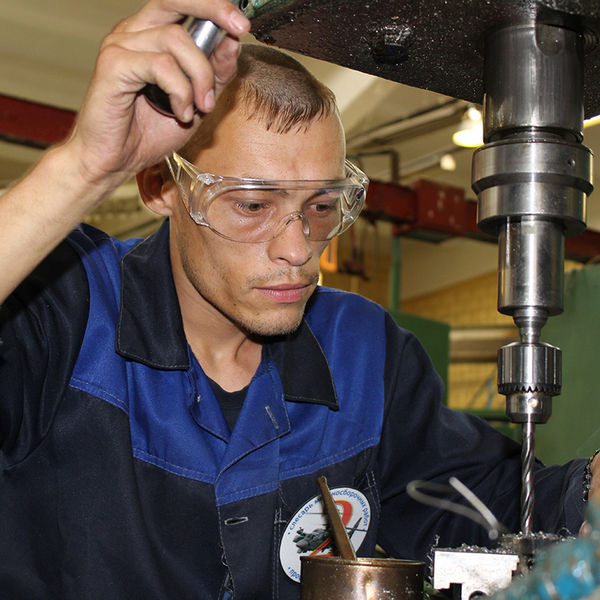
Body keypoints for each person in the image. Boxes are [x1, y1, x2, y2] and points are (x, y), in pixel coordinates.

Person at [0, 1, 597, 598]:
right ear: (162, 185)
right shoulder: (63, 303)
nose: (297, 250)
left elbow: (480, 500)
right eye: (252, 205)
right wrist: (85, 166)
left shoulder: (362, 350)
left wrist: (589, 487)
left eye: (321, 206)